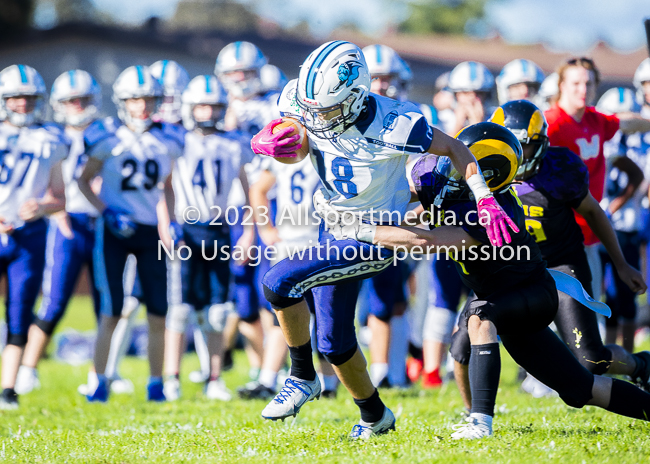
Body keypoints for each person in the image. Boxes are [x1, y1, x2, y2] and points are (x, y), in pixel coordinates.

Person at [252, 40, 516, 438]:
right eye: (312, 109)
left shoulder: (397, 122)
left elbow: (456, 147)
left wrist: (482, 197)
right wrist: (282, 146)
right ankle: (376, 417)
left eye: (327, 109)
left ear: (356, 98)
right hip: (333, 221)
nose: (317, 117)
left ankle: (302, 376)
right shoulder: (301, 97)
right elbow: (306, 142)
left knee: (278, 281)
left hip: (374, 235)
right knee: (335, 342)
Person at [330, 121, 650, 440]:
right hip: (500, 294)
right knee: (581, 389)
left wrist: (361, 229)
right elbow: (406, 199)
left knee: (480, 318)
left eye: (467, 164)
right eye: (457, 159)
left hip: (531, 295)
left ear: (488, 176)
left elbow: (426, 241)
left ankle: (480, 423)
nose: (452, 166)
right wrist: (355, 202)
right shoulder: (443, 176)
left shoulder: (495, 211)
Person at [450, 101, 650, 413]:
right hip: (509, 271)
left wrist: (621, 264)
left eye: (523, 146)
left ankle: (640, 365)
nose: (514, 155)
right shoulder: (483, 175)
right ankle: (473, 416)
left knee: (591, 360)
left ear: (541, 144)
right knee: (461, 344)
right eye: (507, 145)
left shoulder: (558, 170)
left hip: (559, 265)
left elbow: (594, 213)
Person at [78, 65, 183, 402]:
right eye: (135, 99)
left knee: (157, 311)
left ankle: (156, 383)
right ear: (123, 101)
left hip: (150, 230)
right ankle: (99, 381)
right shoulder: (105, 135)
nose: (142, 106)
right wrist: (106, 211)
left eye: (148, 99)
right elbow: (83, 180)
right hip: (113, 230)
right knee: (111, 309)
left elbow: (167, 186)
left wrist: (169, 222)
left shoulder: (167, 137)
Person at [162, 74, 251, 401]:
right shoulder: (177, 140)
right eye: (201, 106)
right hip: (187, 229)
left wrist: (249, 232)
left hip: (220, 228)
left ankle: (213, 377)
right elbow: (165, 186)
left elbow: (249, 188)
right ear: (189, 108)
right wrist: (167, 226)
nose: (207, 112)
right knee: (180, 310)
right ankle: (171, 377)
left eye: (213, 106)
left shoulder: (233, 143)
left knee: (217, 310)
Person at [242, 99, 339, 398]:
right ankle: (270, 379)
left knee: (323, 314)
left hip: (317, 238)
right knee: (283, 313)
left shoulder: (324, 149)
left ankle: (326, 382)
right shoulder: (299, 149)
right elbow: (258, 188)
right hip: (292, 239)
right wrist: (266, 229)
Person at [15, 70, 103, 396]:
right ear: (57, 104)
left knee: (105, 305)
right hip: (66, 222)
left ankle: (100, 375)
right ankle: (28, 368)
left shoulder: (106, 133)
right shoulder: (49, 136)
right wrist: (58, 213)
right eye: (70, 100)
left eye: (82, 99)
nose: (77, 106)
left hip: (99, 223)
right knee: (53, 303)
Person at [545, 57, 650, 301]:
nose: (583, 89)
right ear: (562, 85)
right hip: (557, 237)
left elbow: (626, 122)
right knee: (556, 313)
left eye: (589, 83)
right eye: (576, 83)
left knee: (590, 309)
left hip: (590, 232)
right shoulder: (550, 124)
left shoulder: (595, 120)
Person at [0, 64, 69, 408]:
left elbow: (60, 197)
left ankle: (7, 389)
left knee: (19, 311)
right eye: (15, 98)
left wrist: (41, 207)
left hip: (28, 235)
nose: (23, 104)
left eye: (28, 98)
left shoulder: (51, 139)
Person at [214, 41, 276, 383]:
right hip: (227, 209)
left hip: (267, 203)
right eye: (233, 72)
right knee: (242, 295)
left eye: (246, 71)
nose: (240, 78)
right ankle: (258, 366)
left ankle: (273, 368)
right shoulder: (215, 106)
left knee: (268, 287)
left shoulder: (273, 105)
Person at [596, 88, 646, 353]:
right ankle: (606, 353)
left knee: (625, 298)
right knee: (603, 296)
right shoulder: (601, 142)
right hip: (599, 228)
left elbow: (639, 179)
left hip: (627, 226)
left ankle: (626, 355)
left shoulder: (642, 144)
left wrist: (616, 204)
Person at [447, 61, 496, 136]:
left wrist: (478, 125)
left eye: (478, 93)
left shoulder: (495, 118)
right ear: (455, 95)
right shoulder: (442, 118)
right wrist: (457, 126)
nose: (472, 98)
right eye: (465, 92)